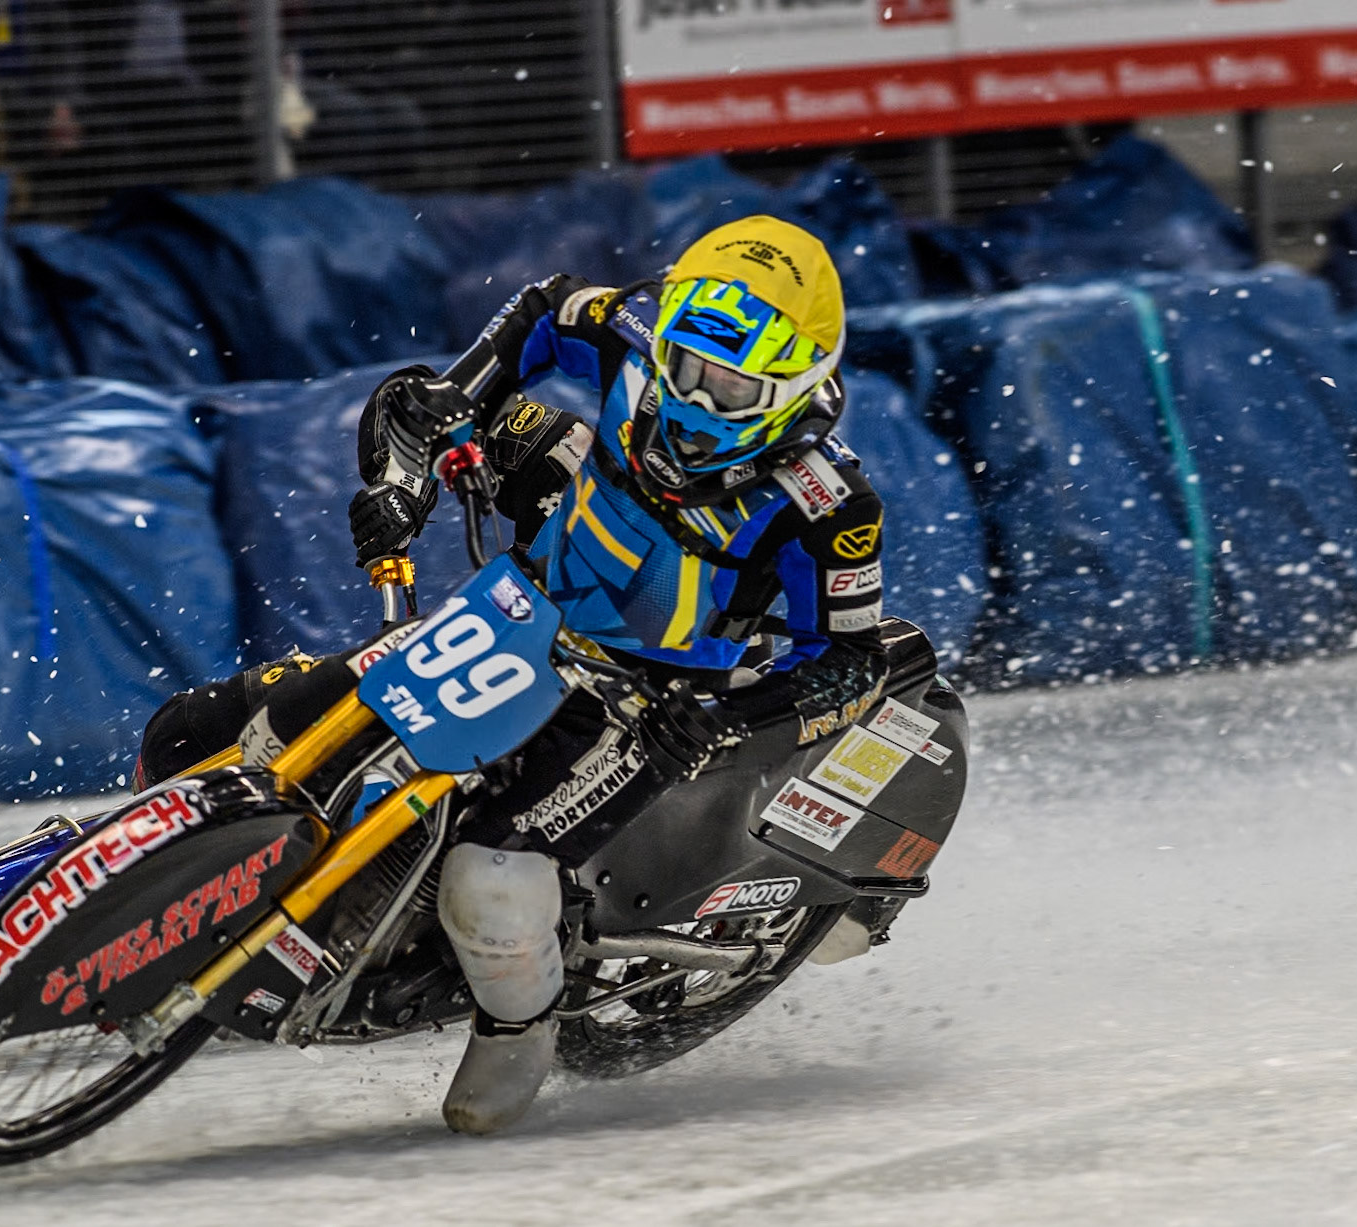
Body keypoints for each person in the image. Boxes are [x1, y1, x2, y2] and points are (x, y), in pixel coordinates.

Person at [136, 216, 889, 1136]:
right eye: (684, 367)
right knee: (200, 727)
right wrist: (441, 421)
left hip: (646, 702)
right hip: (508, 621)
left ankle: (516, 1027)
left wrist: (717, 720)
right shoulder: (622, 327)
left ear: (790, 388)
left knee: (489, 870)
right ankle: (159, 888)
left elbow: (852, 661)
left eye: (728, 383)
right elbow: (535, 312)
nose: (692, 400)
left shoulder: (830, 504)